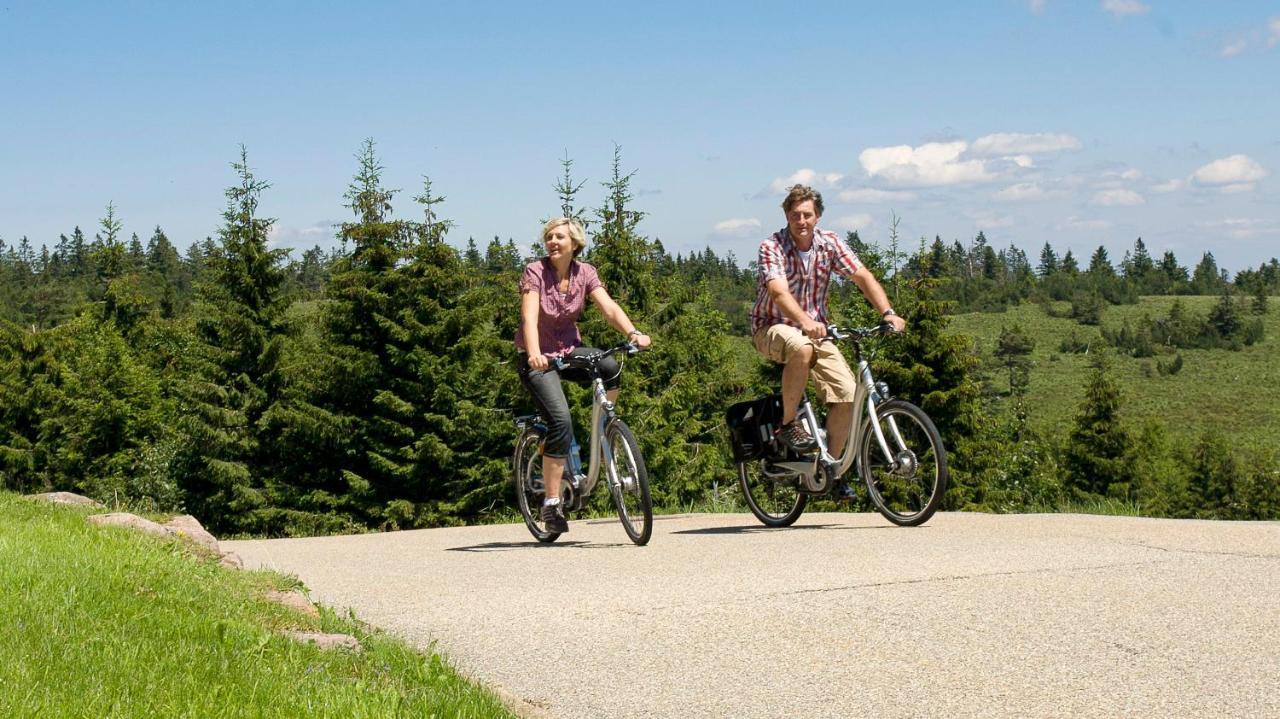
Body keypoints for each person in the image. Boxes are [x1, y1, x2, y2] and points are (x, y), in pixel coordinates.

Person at [751, 184, 906, 483]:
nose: (801, 221)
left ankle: (830, 470)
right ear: (786, 215)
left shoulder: (829, 243)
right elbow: (778, 292)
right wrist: (805, 320)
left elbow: (862, 276)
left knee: (848, 396)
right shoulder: (772, 247)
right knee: (802, 347)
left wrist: (887, 313)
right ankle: (788, 424)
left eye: (807, 215)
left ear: (818, 216)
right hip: (771, 327)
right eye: (795, 215)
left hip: (816, 333)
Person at [515, 217, 652, 533]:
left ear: (574, 243)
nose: (552, 241)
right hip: (537, 358)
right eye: (548, 236)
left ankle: (603, 431)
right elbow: (529, 316)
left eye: (559, 236)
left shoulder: (585, 273)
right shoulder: (535, 272)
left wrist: (633, 332)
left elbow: (609, 308)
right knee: (560, 420)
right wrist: (534, 353)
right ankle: (551, 504)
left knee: (610, 366)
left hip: (568, 350)